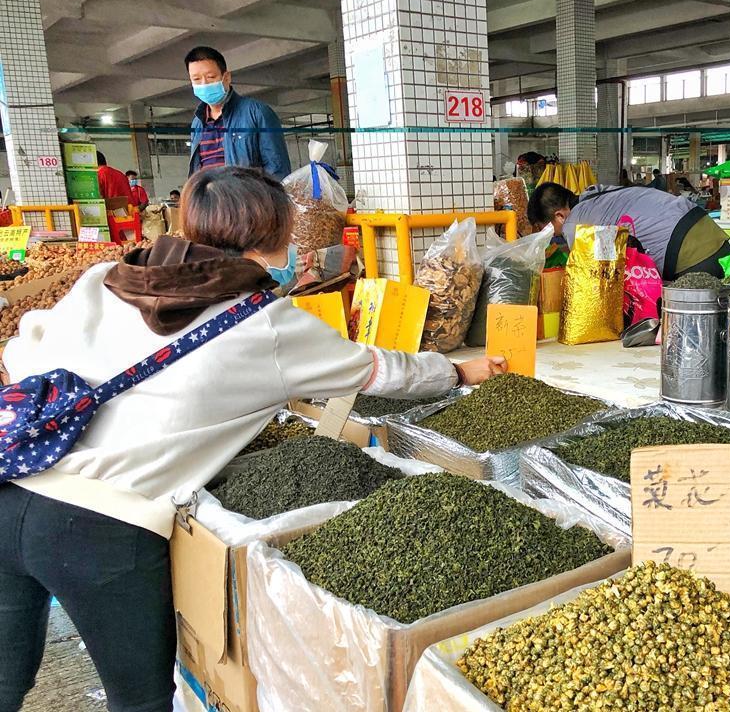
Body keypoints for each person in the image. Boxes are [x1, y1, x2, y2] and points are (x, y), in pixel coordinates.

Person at [0, 165, 505, 712]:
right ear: (278, 237)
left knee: (4, 681)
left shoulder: (104, 278)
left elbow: (20, 354)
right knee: (139, 700)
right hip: (100, 530)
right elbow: (376, 371)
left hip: (11, 487)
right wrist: (456, 372)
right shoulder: (262, 323)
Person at [527, 182, 730, 280]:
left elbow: (596, 279)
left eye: (547, 227)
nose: (552, 235)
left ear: (560, 215)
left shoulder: (574, 224)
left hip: (690, 255)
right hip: (714, 236)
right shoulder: (597, 193)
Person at [186, 46, 292, 180]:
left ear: (227, 77)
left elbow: (278, 169)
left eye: (210, 77)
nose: (204, 84)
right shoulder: (197, 123)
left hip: (246, 199)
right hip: (208, 199)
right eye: (196, 79)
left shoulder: (257, 113)